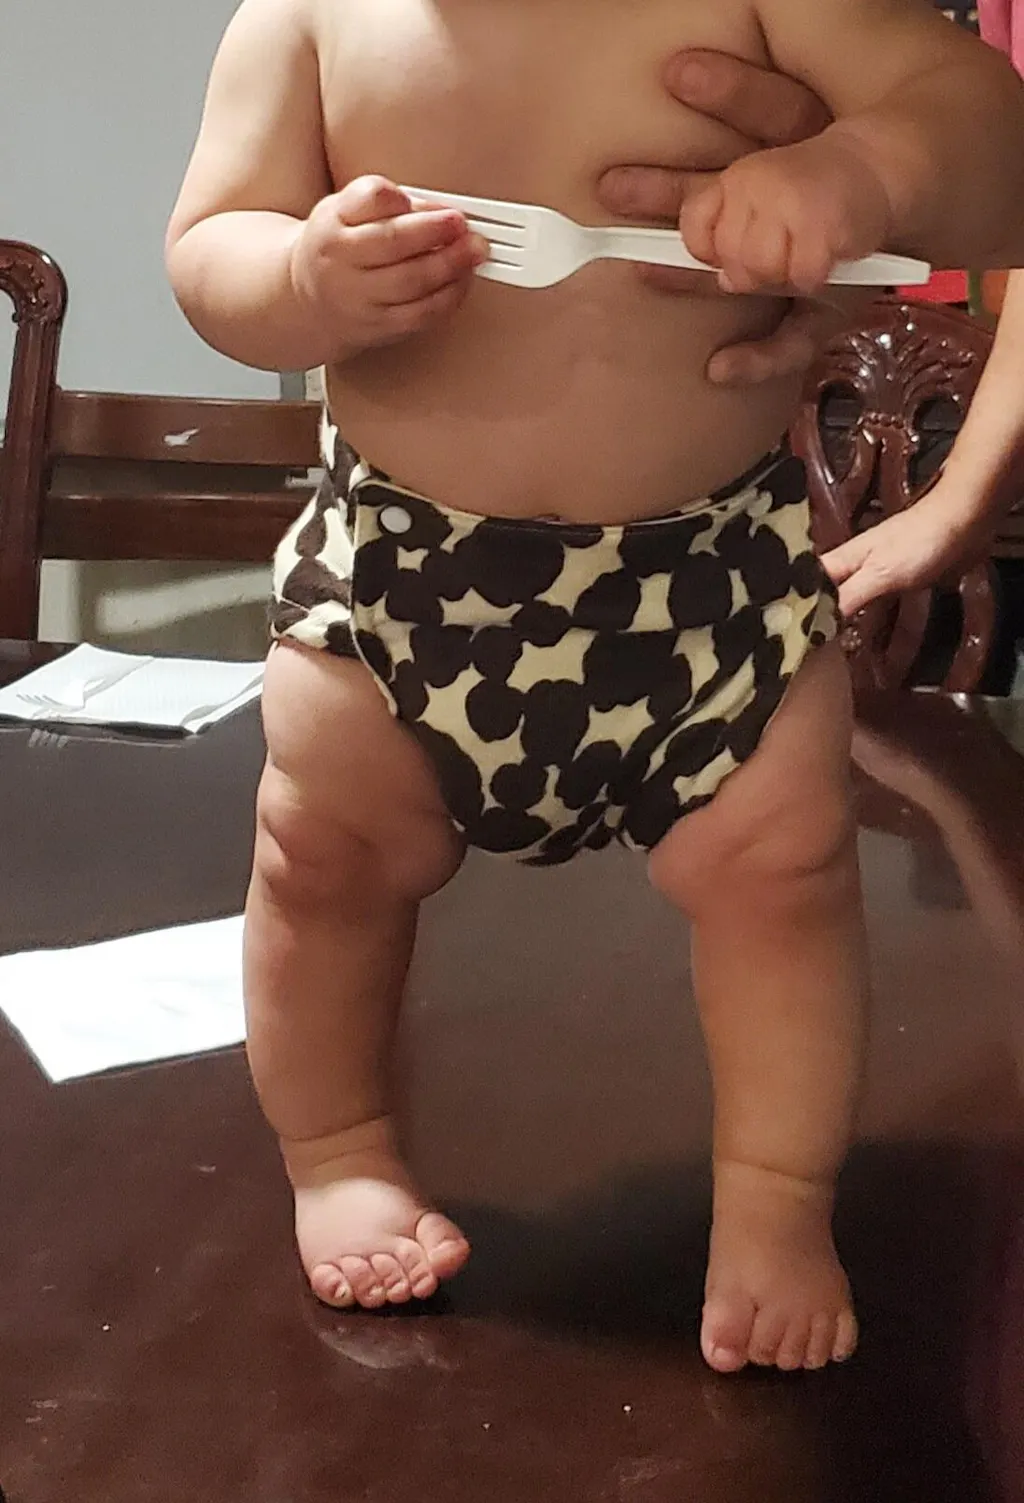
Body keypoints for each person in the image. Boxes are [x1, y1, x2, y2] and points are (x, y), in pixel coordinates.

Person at [166, 0, 1024, 1376]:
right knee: (317, 864)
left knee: (785, 881)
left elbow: (990, 129)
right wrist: (299, 277)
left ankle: (775, 1202)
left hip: (709, 584)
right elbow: (211, 244)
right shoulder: (308, 16)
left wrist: (862, 170)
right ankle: (339, 1155)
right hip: (404, 584)